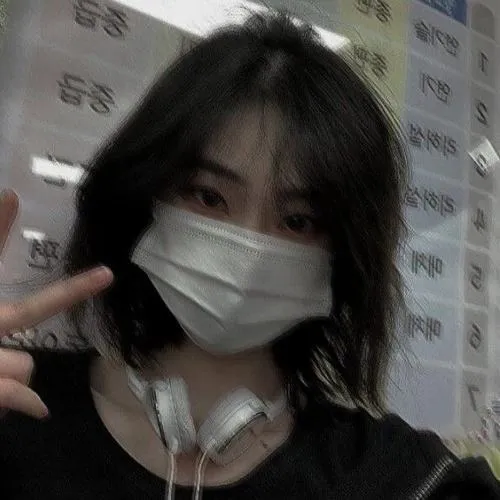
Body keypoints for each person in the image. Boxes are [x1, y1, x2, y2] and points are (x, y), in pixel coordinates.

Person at [0, 10, 498, 500]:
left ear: (343, 255)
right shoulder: (14, 403)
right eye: (209, 196)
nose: (249, 248)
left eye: (298, 221)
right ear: (144, 196)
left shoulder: (404, 480)